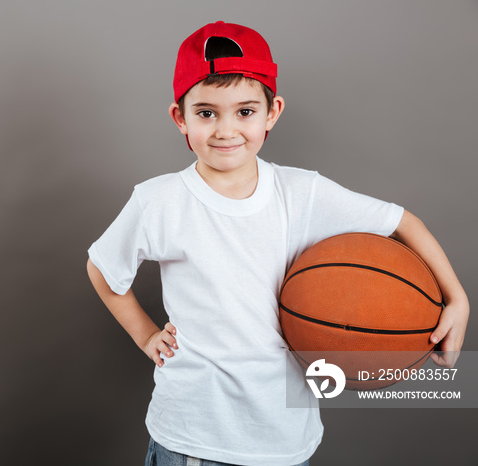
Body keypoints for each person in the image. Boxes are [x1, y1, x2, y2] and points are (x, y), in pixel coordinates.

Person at [86, 21, 469, 466]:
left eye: (245, 112)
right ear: (180, 118)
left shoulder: (301, 192)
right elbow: (102, 267)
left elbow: (403, 222)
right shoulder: (160, 200)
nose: (226, 130)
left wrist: (457, 298)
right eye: (206, 112)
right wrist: (147, 334)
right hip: (191, 437)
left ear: (272, 112)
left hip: (283, 438)